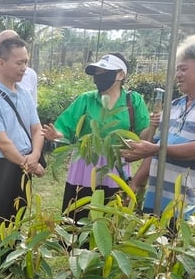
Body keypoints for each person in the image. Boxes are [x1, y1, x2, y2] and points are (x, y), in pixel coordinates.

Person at [121, 35, 195, 217]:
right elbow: (154, 149)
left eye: (183, 69)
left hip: (189, 209)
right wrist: (135, 182)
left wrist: (154, 149)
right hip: (155, 203)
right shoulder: (175, 105)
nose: (177, 75)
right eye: (177, 69)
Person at [41, 53, 151, 223]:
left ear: (120, 75)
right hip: (86, 164)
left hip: (115, 165)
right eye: (97, 73)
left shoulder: (133, 101)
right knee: (78, 213)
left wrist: (154, 126)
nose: (98, 77)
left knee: (111, 214)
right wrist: (57, 135)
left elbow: (144, 134)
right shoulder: (86, 99)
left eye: (104, 72)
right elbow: (66, 126)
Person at [0, 37, 45, 279]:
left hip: (24, 164)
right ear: (1, 63)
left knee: (17, 213)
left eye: (26, 62)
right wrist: (30, 163)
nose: (24, 67)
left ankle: (9, 259)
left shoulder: (24, 94)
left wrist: (35, 155)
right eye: (19, 62)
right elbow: (2, 143)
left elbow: (37, 128)